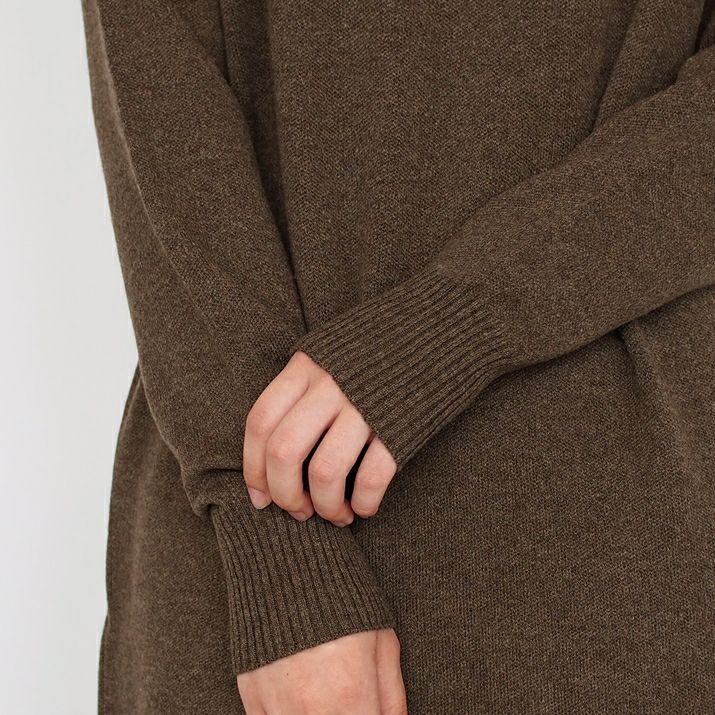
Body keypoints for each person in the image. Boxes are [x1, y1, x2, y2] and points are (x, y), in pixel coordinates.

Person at [83, 1, 715, 713]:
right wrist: (278, 558)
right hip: (252, 538)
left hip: (629, 544)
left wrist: (445, 327)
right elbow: (161, 90)